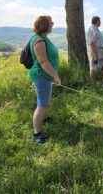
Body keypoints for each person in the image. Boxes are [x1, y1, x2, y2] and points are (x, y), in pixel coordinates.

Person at [29, 15, 61, 144]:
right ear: (45, 25)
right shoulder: (39, 40)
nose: (53, 24)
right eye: (51, 22)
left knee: (45, 101)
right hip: (41, 76)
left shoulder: (43, 38)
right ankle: (37, 135)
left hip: (46, 76)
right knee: (42, 104)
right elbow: (43, 61)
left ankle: (43, 118)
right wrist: (55, 76)